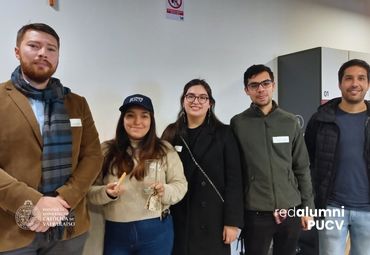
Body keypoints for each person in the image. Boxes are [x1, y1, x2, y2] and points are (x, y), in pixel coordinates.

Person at [0, 23, 103, 254]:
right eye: (34, 46)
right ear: (17, 51)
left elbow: (93, 156)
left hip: (68, 227)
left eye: (51, 49)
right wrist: (35, 203)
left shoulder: (77, 103)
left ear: (58, 56)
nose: (42, 53)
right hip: (11, 230)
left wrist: (61, 200)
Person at [88, 94, 187, 255]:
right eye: (130, 115)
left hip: (157, 230)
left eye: (144, 116)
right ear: (123, 120)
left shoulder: (165, 149)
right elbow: (89, 191)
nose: (137, 122)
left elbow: (180, 185)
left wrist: (165, 191)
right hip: (116, 232)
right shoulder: (105, 150)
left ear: (151, 120)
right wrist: (106, 193)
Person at [230, 64, 314, 255]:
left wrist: (308, 208)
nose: (261, 89)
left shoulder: (290, 121)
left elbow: (302, 167)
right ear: (246, 90)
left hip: (290, 209)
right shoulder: (238, 123)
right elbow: (234, 171)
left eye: (265, 83)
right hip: (256, 211)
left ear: (273, 85)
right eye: (254, 85)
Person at [161, 79, 244, 255]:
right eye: (190, 96)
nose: (196, 101)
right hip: (178, 215)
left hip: (213, 218)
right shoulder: (171, 133)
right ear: (183, 100)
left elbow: (235, 180)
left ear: (210, 103)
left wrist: (232, 222)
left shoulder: (224, 133)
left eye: (202, 97)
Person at [305, 59, 370, 255]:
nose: (354, 83)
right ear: (340, 83)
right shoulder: (321, 119)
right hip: (331, 207)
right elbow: (307, 162)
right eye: (348, 78)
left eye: (361, 78)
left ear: (368, 84)